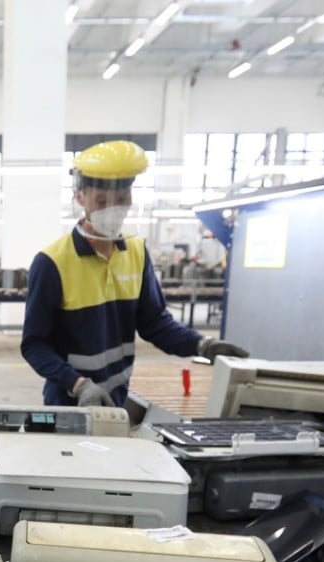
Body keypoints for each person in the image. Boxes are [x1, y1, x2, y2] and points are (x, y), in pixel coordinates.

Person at [21, 140, 249, 407]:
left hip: (118, 398)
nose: (113, 209)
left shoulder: (136, 252)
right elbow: (34, 345)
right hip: (70, 403)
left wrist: (202, 345)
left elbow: (155, 324)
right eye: (102, 201)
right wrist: (77, 384)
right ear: (80, 197)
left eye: (121, 200)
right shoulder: (53, 262)